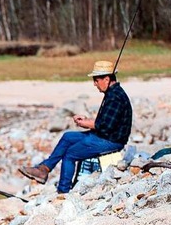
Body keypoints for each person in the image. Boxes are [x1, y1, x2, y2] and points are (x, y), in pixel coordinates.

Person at [18, 60, 132, 193]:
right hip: (105, 135)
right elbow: (107, 121)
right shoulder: (112, 93)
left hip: (111, 141)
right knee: (68, 137)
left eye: (96, 80)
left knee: (70, 154)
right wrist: (87, 120)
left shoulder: (115, 97)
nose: (95, 84)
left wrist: (86, 123)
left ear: (106, 79)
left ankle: (63, 191)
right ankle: (44, 170)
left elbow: (105, 126)